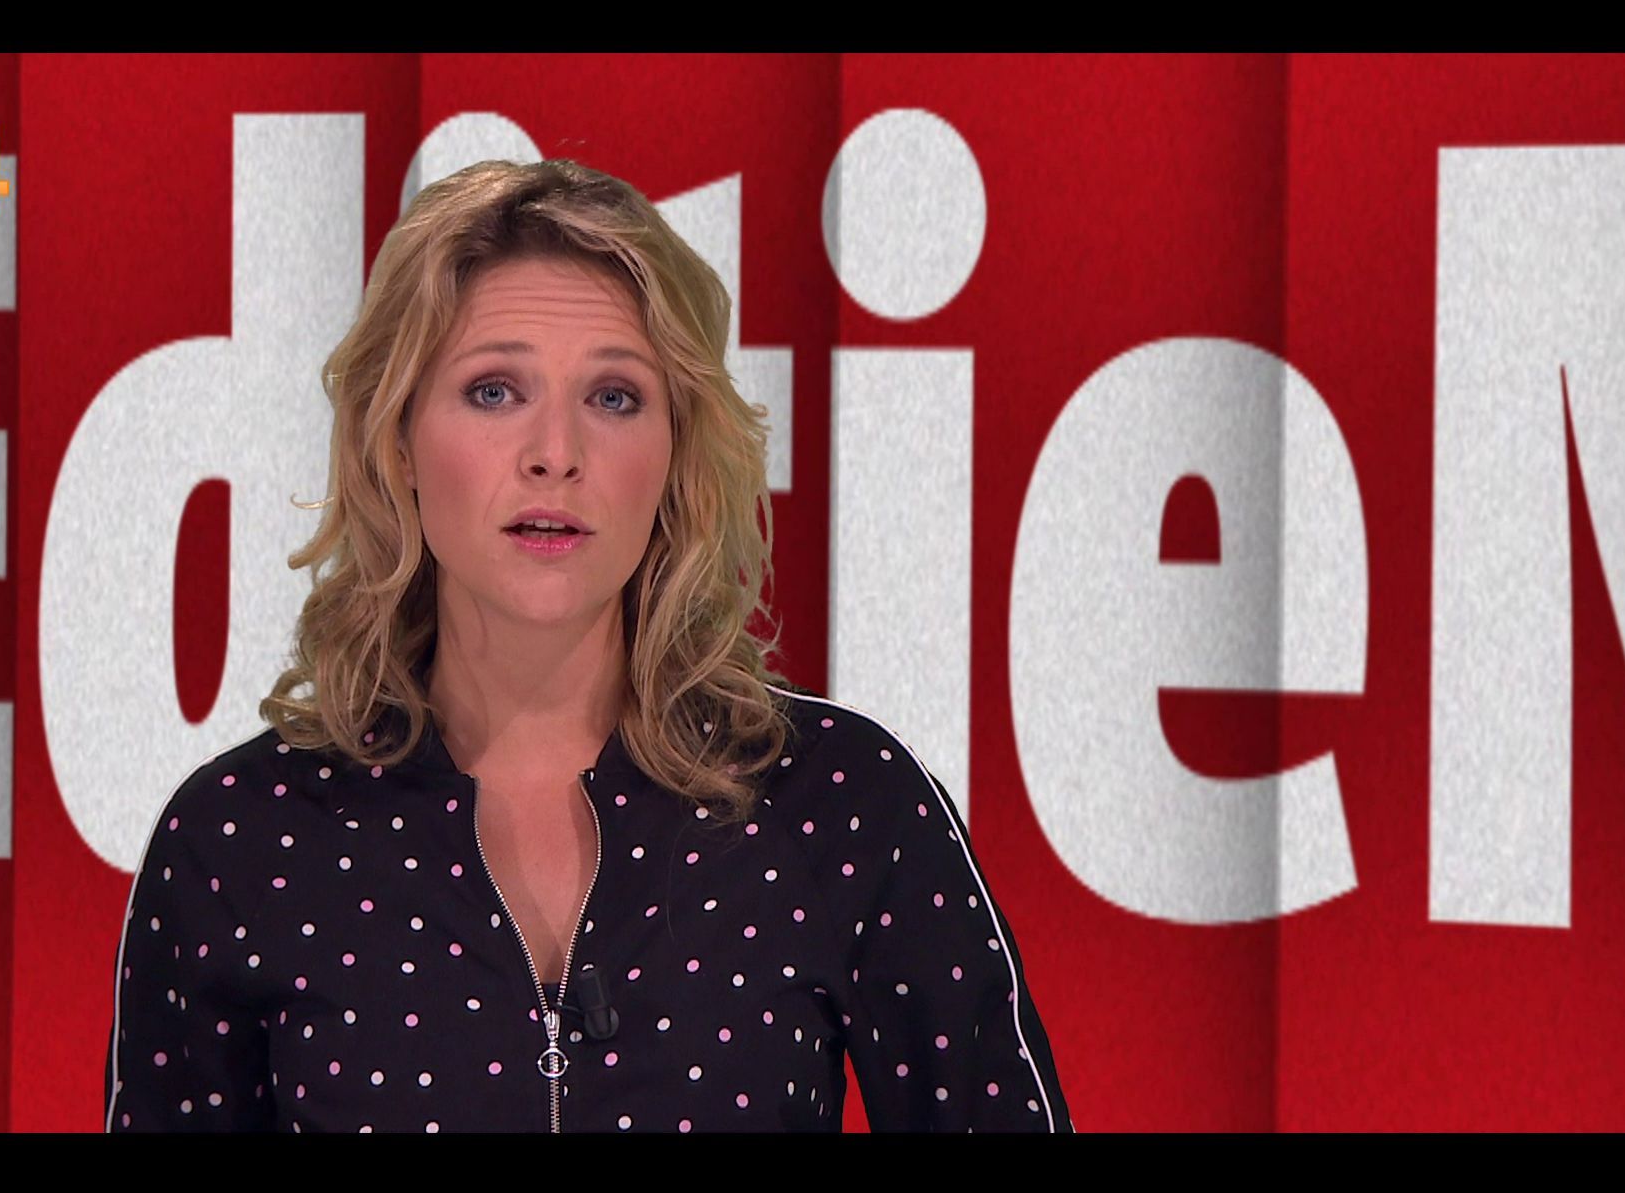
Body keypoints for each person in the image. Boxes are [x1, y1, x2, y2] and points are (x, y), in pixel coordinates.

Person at [103, 158, 1075, 1133]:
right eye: (494, 391)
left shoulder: (841, 800)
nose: (556, 454)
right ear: (396, 440)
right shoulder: (239, 843)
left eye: (614, 398)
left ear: (676, 451)